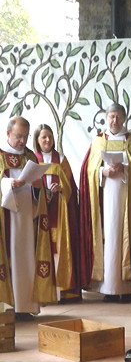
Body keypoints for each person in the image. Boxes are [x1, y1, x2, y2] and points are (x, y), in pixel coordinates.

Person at [80, 103, 131, 303]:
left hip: (128, 200)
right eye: (111, 116)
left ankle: (126, 288)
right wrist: (103, 171)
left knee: (124, 238)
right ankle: (108, 288)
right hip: (104, 201)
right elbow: (88, 171)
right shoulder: (99, 141)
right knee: (108, 239)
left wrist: (125, 168)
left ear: (124, 118)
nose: (114, 120)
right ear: (106, 118)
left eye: (118, 117)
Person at [0, 117, 54, 321]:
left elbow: (37, 185)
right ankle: (7, 307)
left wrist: (40, 189)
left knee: (26, 261)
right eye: (18, 136)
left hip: (27, 219)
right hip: (5, 220)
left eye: (25, 136)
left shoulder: (30, 156)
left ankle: (25, 306)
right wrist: (6, 185)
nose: (22, 141)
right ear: (7, 134)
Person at [34, 124, 81, 303]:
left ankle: (63, 290)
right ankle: (44, 291)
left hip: (59, 213)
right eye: (43, 137)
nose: (47, 140)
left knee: (58, 249)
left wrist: (62, 188)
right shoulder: (32, 158)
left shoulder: (60, 159)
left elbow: (71, 185)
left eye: (50, 137)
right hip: (40, 212)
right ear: (37, 140)